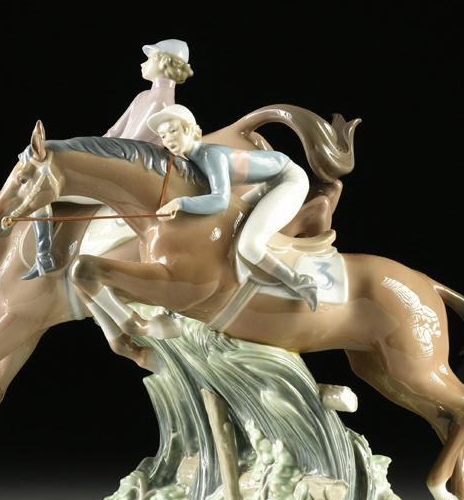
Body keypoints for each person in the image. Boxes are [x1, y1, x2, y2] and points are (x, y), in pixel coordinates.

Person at [25, 39, 193, 279]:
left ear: (164, 62)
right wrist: (82, 153)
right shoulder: (144, 96)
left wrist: (89, 158)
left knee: (41, 191)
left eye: (149, 58)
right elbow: (114, 133)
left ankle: (44, 256)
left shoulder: (162, 102)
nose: (143, 63)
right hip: (111, 164)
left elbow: (132, 144)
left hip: (124, 175)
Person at [147, 104, 318, 310]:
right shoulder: (194, 159)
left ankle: (301, 283)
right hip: (269, 183)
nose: (168, 140)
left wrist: (179, 203)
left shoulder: (210, 156)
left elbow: (220, 200)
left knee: (249, 245)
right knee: (231, 225)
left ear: (189, 129)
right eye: (163, 136)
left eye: (173, 131)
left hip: (289, 179)